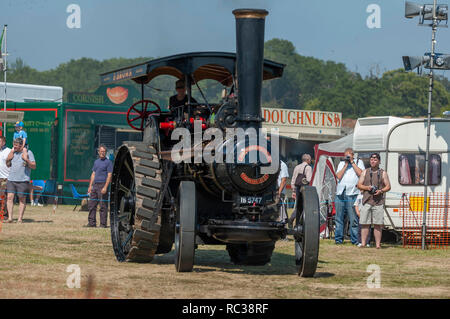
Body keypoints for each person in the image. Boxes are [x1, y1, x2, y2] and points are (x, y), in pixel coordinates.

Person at [357, 153, 391, 249]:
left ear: (379, 161)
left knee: (378, 224)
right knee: (365, 223)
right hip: (366, 200)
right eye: (371, 159)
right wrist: (367, 187)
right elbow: (359, 185)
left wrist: (381, 191)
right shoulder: (365, 172)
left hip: (378, 202)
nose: (373, 161)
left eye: (375, 160)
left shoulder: (383, 173)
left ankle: (377, 245)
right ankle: (363, 244)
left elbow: (388, 186)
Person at [334, 147, 365, 245]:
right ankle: (338, 239)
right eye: (345, 156)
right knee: (338, 218)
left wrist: (352, 162)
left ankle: (355, 240)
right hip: (340, 193)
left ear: (353, 155)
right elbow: (338, 176)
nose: (347, 157)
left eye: (349, 155)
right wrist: (346, 164)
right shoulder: (342, 163)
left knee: (353, 218)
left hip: (352, 193)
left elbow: (361, 174)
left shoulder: (359, 162)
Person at [4, 137, 36, 223]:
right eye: (14, 145)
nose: (15, 147)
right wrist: (9, 158)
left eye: (17, 146)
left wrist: (26, 160)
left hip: (23, 180)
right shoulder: (13, 152)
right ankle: (10, 218)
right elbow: (8, 164)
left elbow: (33, 166)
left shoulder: (29, 153)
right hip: (11, 179)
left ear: (22, 146)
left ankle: (19, 219)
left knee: (22, 199)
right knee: (10, 198)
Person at [86, 145, 113, 228]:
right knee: (91, 205)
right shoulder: (96, 162)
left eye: (104, 151)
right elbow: (93, 174)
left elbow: (109, 175)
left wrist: (105, 187)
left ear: (105, 152)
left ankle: (103, 224)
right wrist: (90, 186)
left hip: (103, 185)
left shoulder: (108, 162)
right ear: (98, 152)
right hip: (95, 185)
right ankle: (91, 223)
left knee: (103, 206)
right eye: (101, 151)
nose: (102, 153)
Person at [289, 154, 313, 224]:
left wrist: (293, 190)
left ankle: (293, 218)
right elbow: (309, 180)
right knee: (304, 206)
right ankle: (301, 222)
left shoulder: (297, 167)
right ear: (308, 160)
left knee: (298, 205)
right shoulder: (308, 168)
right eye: (310, 159)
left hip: (297, 188)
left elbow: (293, 179)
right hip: (305, 189)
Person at [0, 136, 11, 219]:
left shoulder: (8, 151)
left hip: (5, 177)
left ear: (3, 142)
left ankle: (4, 214)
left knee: (3, 196)